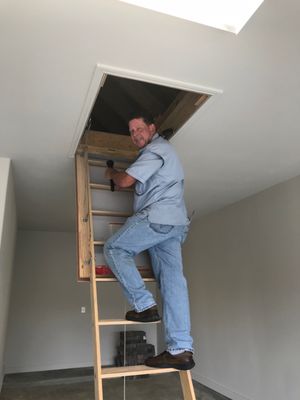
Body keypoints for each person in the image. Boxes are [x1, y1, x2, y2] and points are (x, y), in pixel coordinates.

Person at [104, 113, 194, 370]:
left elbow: (125, 181)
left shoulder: (155, 149)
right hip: (175, 224)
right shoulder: (161, 151)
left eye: (139, 129)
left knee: (115, 247)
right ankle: (180, 349)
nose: (135, 135)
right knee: (173, 281)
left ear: (152, 128)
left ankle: (144, 305)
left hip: (158, 218)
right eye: (132, 132)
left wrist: (111, 171)